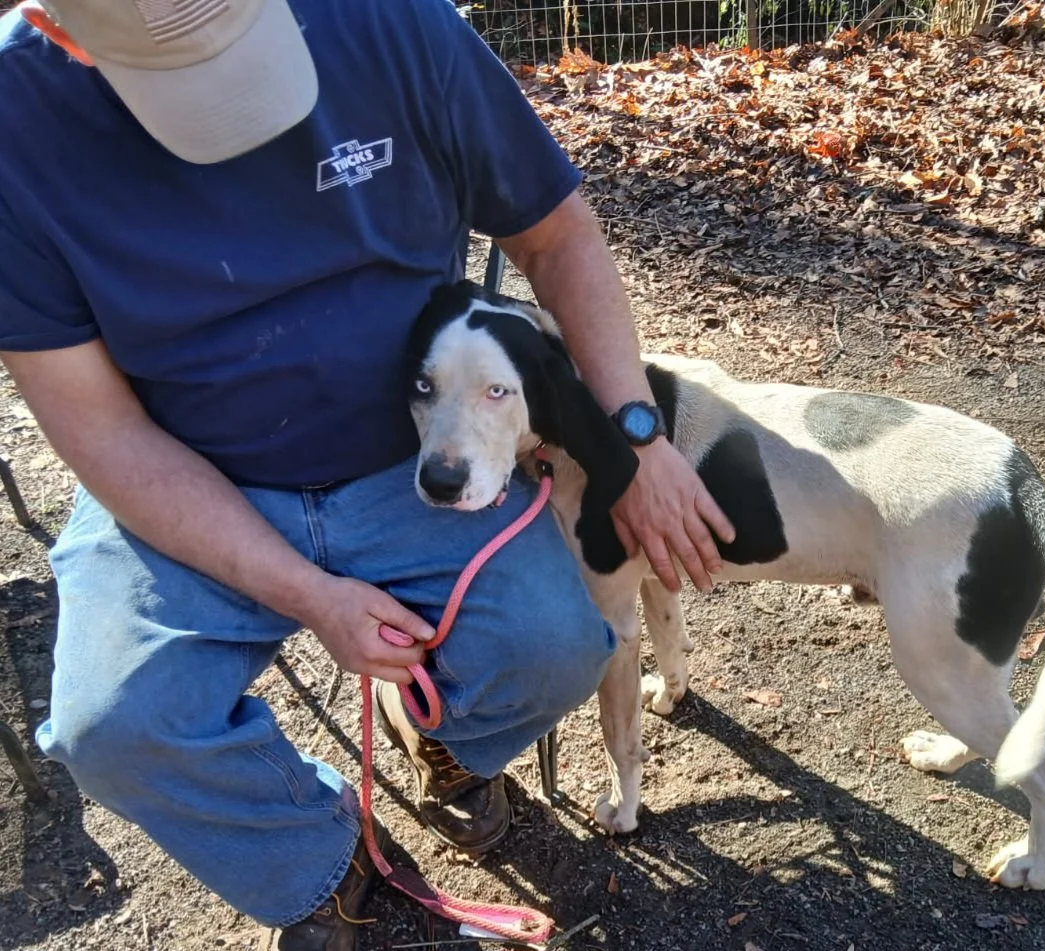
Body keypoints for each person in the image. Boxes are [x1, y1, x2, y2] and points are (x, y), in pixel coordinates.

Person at [0, 0, 735, 948]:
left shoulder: (390, 20)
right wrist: (309, 593)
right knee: (116, 728)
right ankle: (321, 856)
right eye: (187, 77)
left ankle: (439, 738)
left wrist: (636, 439)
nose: (234, 109)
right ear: (60, 28)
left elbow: (556, 237)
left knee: (562, 645)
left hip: (414, 453)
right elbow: (102, 434)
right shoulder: (16, 118)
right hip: (183, 472)